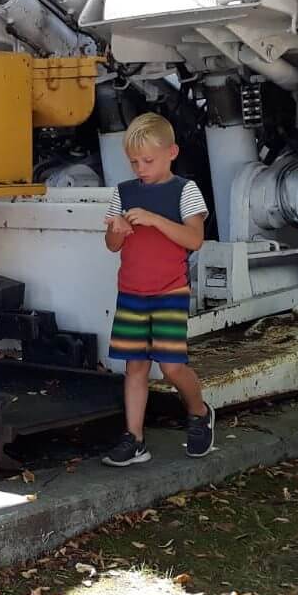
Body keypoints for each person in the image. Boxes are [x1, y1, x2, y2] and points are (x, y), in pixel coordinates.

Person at [102, 112, 214, 466]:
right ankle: (134, 439)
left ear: (172, 153)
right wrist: (117, 229)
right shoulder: (122, 193)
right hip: (132, 292)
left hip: (169, 291)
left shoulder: (186, 190)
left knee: (171, 367)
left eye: (148, 160)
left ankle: (199, 412)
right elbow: (111, 246)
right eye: (134, 161)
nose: (140, 168)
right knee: (134, 367)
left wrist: (154, 220)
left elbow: (195, 239)